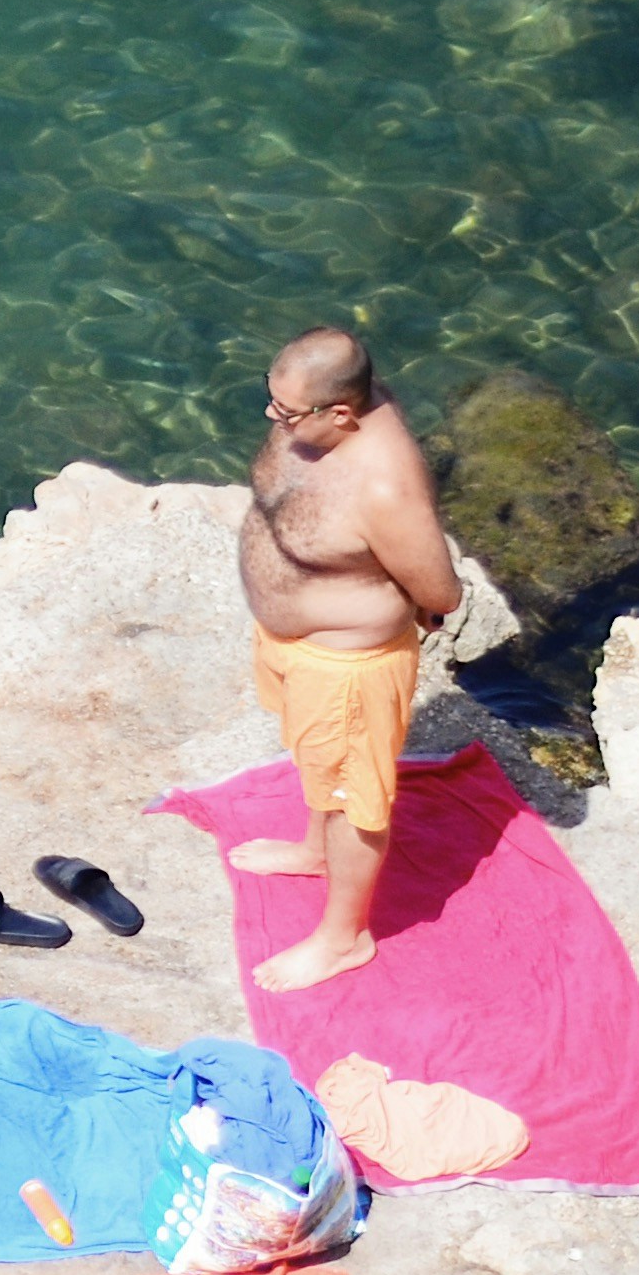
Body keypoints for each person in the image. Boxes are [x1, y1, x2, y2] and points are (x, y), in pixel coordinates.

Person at [230, 328, 465, 993]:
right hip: (295, 648)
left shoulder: (385, 487)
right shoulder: (322, 414)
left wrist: (424, 612)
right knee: (322, 769)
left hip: (347, 666)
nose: (272, 417)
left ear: (340, 414)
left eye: (286, 413)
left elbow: (440, 590)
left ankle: (343, 940)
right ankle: (314, 852)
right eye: (273, 403)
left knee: (352, 802)